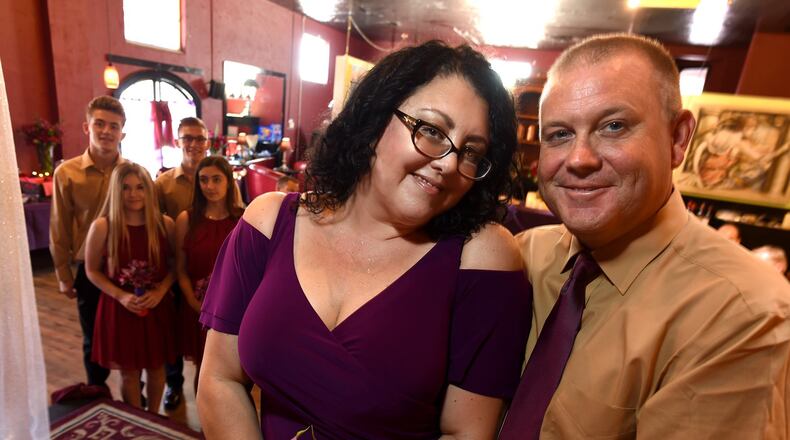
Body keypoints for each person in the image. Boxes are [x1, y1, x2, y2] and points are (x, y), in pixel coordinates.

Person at [198, 41, 531, 439]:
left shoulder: (481, 257)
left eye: (472, 152)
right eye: (431, 130)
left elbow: (467, 433)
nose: (449, 163)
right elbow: (220, 379)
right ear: (374, 120)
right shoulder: (269, 222)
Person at [503, 33, 790, 439]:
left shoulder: (741, 311)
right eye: (560, 134)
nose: (579, 159)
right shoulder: (522, 256)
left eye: (614, 126)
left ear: (677, 139)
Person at [83, 162, 177, 412]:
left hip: (157, 307)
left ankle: (154, 417)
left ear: (149, 190)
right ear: (116, 191)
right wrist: (121, 296)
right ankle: (137, 420)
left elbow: (176, 266)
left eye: (139, 187)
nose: (133, 194)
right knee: (128, 373)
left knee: (157, 370)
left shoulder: (164, 224)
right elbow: (91, 270)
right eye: (125, 188)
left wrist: (161, 291)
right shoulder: (103, 226)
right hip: (120, 309)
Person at [49, 95, 127, 388]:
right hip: (89, 269)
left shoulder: (131, 172)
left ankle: (134, 390)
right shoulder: (66, 173)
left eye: (114, 126)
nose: (106, 131)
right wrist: (63, 276)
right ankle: (97, 391)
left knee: (128, 332)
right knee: (93, 336)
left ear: (123, 132)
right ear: (87, 127)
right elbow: (59, 228)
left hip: (128, 267)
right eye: (100, 124)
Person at [174, 156, 244, 392]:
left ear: (228, 181)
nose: (210, 186)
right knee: (203, 370)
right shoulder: (186, 219)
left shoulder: (242, 218)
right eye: (204, 180)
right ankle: (205, 427)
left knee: (235, 372)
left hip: (233, 309)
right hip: (197, 307)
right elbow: (180, 268)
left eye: (216, 179)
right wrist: (194, 303)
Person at [154, 116, 210, 409]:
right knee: (174, 333)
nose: (193, 144)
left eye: (199, 138)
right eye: (187, 138)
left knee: (207, 332)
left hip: (208, 271)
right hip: (174, 271)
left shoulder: (219, 176)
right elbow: (155, 229)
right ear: (177, 142)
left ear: (207, 142)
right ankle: (173, 384)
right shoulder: (163, 184)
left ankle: (210, 383)